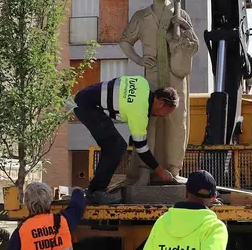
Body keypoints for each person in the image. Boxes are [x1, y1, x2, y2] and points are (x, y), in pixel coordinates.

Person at [120, 0, 199, 185]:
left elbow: (194, 44)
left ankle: (174, 168)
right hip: (152, 77)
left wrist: (182, 26)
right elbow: (125, 42)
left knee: (177, 122)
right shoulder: (141, 16)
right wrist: (138, 59)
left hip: (175, 75)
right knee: (148, 124)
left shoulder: (180, 13)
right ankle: (145, 170)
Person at [72, 74, 179, 204]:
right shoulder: (140, 111)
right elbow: (141, 148)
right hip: (87, 106)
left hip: (86, 97)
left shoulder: (142, 83)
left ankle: (95, 189)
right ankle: (96, 192)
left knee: (113, 145)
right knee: (116, 146)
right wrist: (159, 170)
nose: (164, 116)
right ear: (160, 103)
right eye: (166, 112)